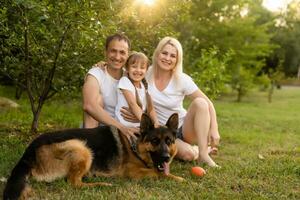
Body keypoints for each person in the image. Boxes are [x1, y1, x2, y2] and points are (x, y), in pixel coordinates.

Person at [122, 37, 220, 167]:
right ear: (157, 53)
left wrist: (214, 129)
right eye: (164, 53)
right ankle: (196, 150)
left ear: (177, 60)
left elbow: (209, 103)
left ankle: (203, 154)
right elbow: (126, 70)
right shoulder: (145, 73)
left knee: (201, 103)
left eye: (173, 55)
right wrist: (103, 65)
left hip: (184, 128)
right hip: (161, 132)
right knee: (188, 155)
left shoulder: (182, 79)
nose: (167, 58)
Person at [82, 33, 138, 138]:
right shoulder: (96, 73)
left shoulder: (132, 76)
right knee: (97, 99)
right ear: (106, 52)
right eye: (113, 51)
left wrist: (138, 116)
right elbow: (88, 105)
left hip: (128, 130)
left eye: (122, 52)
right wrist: (121, 127)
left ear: (127, 55)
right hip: (99, 130)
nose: (117, 57)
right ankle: (91, 145)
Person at [115, 52, 159, 128]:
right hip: (124, 127)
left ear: (146, 70)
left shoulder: (144, 86)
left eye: (142, 68)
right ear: (127, 69)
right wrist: (148, 126)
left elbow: (151, 109)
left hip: (139, 127)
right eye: (134, 66)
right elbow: (133, 104)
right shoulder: (125, 81)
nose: (138, 70)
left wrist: (156, 124)